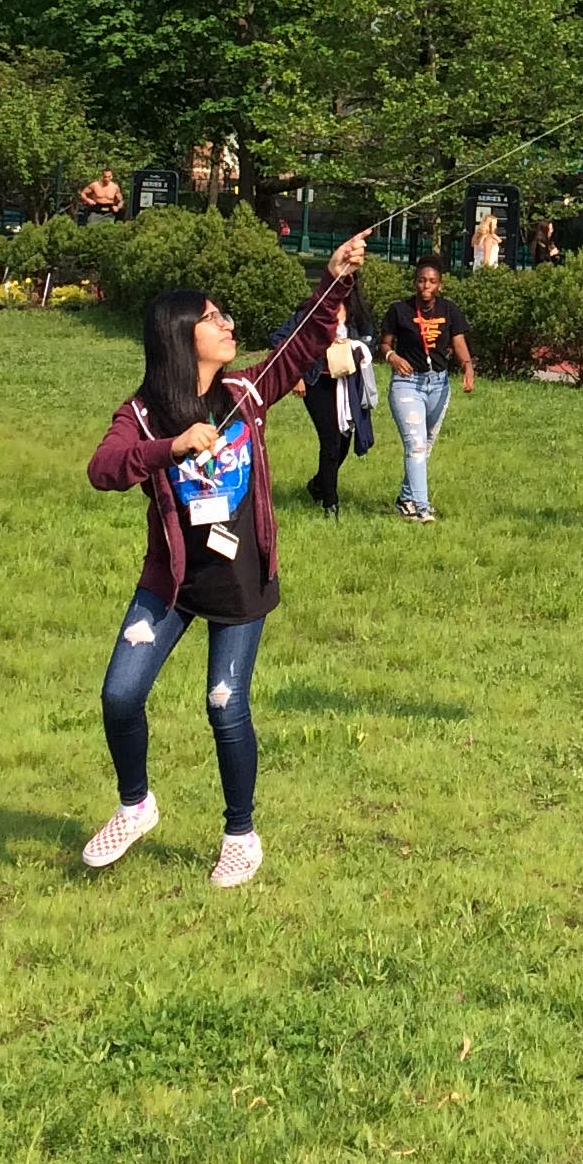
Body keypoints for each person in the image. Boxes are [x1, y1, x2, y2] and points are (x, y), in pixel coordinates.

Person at [82, 229, 371, 888]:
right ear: (181, 338)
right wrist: (172, 446)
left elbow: (300, 347)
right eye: (213, 318)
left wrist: (335, 279)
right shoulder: (143, 415)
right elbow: (103, 469)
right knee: (120, 695)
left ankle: (241, 835)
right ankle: (135, 805)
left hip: (240, 580)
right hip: (172, 582)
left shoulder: (246, 389)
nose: (227, 324)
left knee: (224, 702)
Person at [379, 254, 476, 523]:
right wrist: (393, 357)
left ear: (440, 285)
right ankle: (422, 507)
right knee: (415, 445)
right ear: (415, 283)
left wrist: (467, 367)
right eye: (422, 280)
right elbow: (384, 344)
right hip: (407, 385)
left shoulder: (449, 310)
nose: (426, 286)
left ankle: (405, 499)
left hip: (438, 384)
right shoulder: (399, 310)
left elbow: (458, 342)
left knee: (425, 446)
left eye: (432, 281)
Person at [296, 257, 379, 515]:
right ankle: (331, 503)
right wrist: (297, 376)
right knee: (330, 438)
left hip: (347, 382)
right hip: (317, 381)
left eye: (347, 278)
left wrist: (358, 347)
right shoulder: (313, 309)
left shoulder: (358, 312)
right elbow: (286, 339)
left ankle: (318, 484)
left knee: (344, 439)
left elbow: (370, 339)